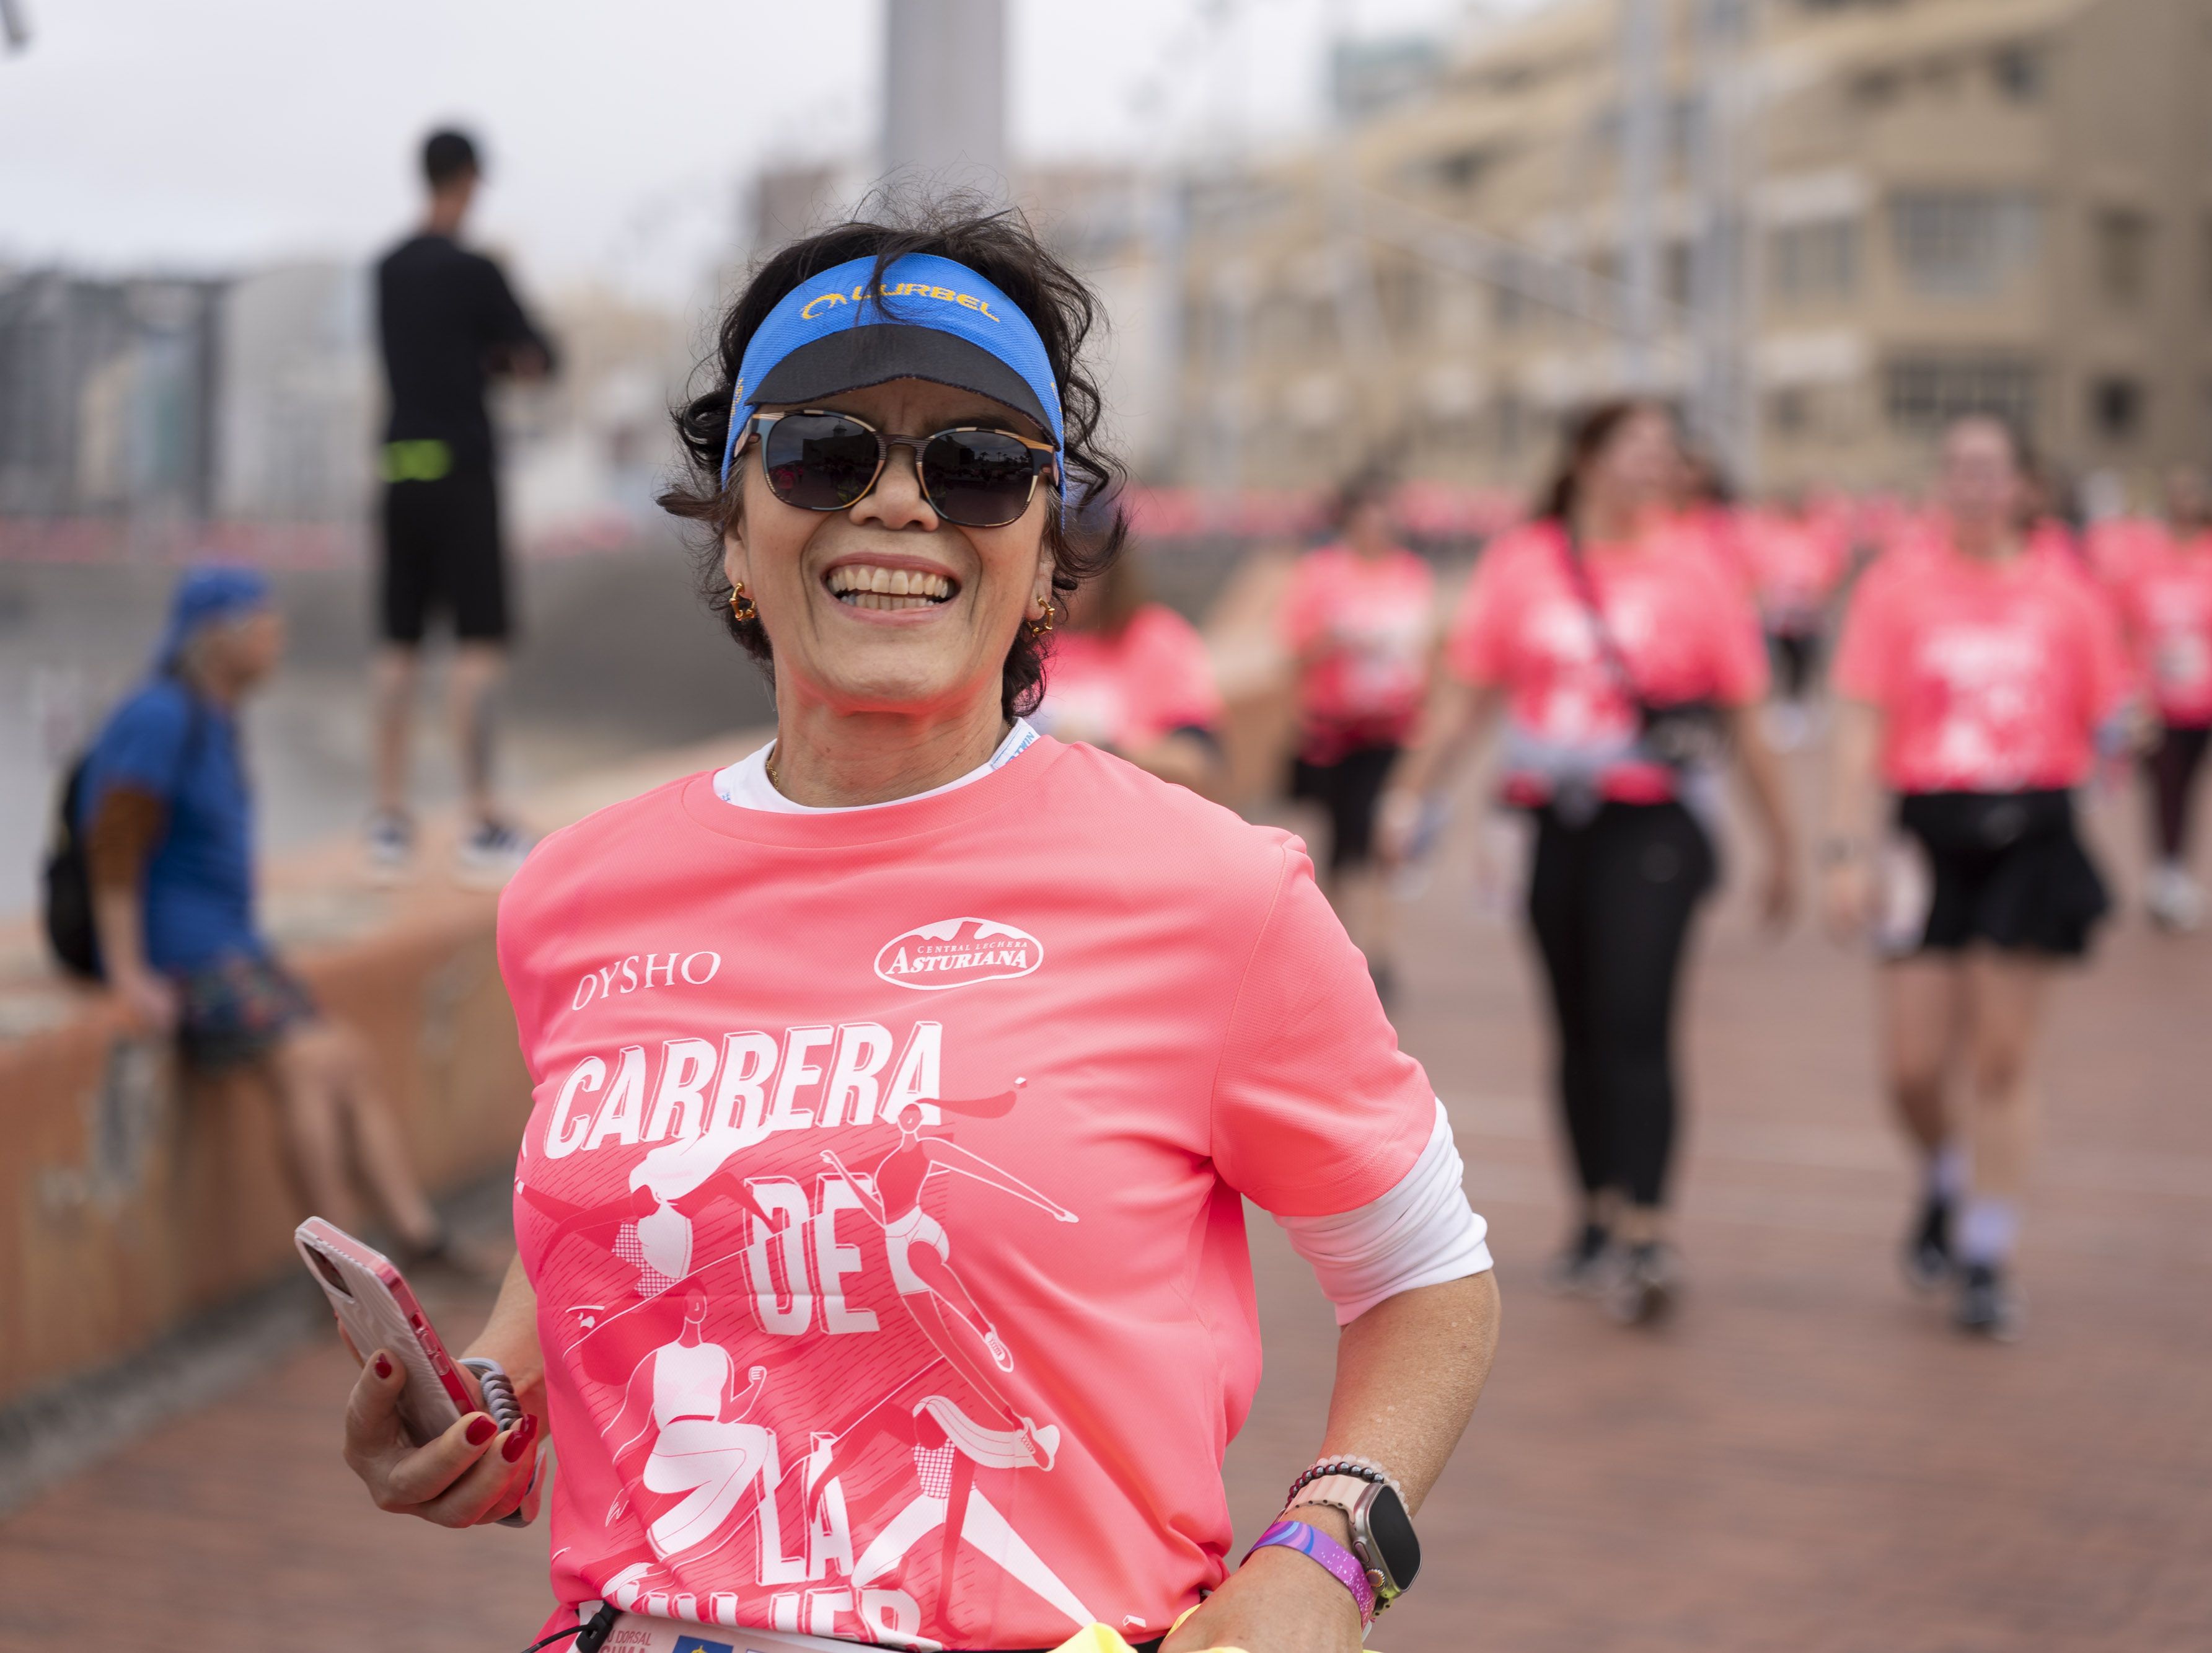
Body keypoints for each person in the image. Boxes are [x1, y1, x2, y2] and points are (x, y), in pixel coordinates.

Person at [338, 205, 1499, 1653]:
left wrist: (1326, 1558)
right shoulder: (575, 895)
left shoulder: (1212, 893)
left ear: (1043, 558)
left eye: (975, 466)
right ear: (737, 530)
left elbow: (1423, 1273)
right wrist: (491, 1402)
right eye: (828, 453)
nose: (899, 504)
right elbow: (607, 1199)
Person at [1377, 400, 1797, 1325]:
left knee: (1635, 1013)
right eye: (1638, 446)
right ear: (1588, 458)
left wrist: (1786, 848)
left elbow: (1748, 716)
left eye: (1668, 448)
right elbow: (1466, 699)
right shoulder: (1524, 561)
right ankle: (1595, 1215)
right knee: (1574, 1023)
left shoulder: (1701, 563)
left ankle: (1648, 1228)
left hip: (1653, 824)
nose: (1660, 463)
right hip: (1547, 826)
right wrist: (1412, 797)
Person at [1820, 416, 2126, 1342]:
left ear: (2025, 487)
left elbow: (2108, 718)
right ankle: (1947, 1179)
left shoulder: (2066, 593)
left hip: (2031, 827)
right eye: (1956, 465)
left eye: (1992, 468)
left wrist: (2118, 757)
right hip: (1927, 830)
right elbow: (1860, 722)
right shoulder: (1896, 587)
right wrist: (1844, 848)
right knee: (1913, 1069)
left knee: (2000, 1055)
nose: (1972, 482)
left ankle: (1988, 1252)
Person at [81, 568, 456, 1261]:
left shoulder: (211, 715)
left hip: (231, 950)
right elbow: (113, 844)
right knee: (310, 1064)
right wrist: (129, 970)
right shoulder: (161, 715)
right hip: (186, 957)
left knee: (347, 1055)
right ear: (219, 638)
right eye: (266, 627)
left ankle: (416, 1237)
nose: (279, 641)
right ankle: (347, 1274)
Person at [369, 127, 557, 884]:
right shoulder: (477, 271)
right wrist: (499, 358)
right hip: (462, 469)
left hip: (398, 462)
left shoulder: (384, 270)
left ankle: (388, 822)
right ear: (471, 180)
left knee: (397, 647)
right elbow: (540, 357)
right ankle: (479, 820)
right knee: (477, 646)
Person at [1280, 470, 1433, 998]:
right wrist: (1341, 637)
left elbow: (1427, 650)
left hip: (1391, 729)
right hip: (1331, 730)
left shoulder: (1410, 573)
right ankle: (1341, 950)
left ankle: (1381, 951)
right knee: (1338, 844)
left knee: (1385, 842)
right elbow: (1296, 650)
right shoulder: (1321, 573)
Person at [2108, 465, 2212, 931]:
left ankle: (2175, 868)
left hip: (2208, 698)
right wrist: (2124, 689)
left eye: (2192, 495)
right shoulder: (2144, 559)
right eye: (2177, 495)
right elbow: (2120, 626)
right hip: (2153, 701)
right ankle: (2167, 876)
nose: (2185, 504)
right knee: (2162, 782)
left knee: (2190, 786)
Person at [1026, 549, 1224, 795]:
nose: (1063, 581)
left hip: (1122, 806)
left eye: (1077, 565)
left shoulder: (1154, 636)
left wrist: (1100, 749)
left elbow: (1197, 762)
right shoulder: (1022, 639)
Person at [1743, 490, 1851, 750]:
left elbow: (1830, 571)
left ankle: (1806, 707)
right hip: (1780, 615)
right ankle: (1789, 711)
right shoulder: (1773, 538)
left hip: (1808, 614)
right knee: (1782, 661)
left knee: (1808, 662)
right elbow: (1759, 572)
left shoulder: (1815, 537)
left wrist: (1821, 596)